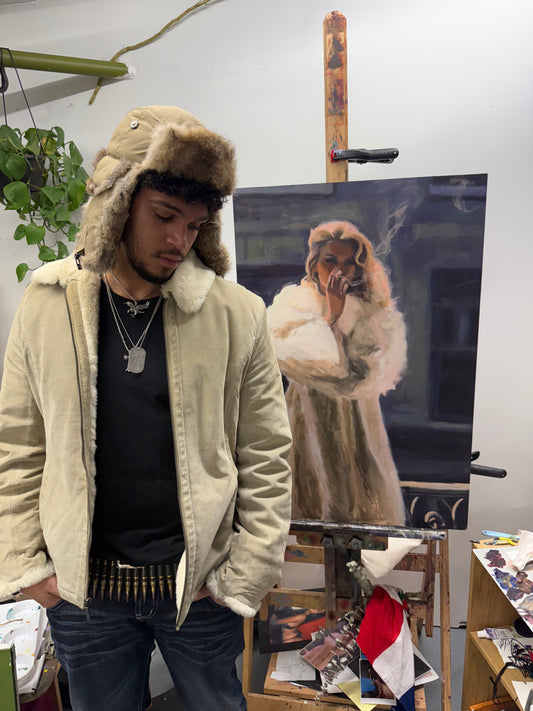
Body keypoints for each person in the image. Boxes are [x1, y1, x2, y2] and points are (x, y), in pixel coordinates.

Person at [0, 105, 292, 711]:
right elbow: (19, 444)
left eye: (195, 224)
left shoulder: (238, 314)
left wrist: (243, 574)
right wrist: (26, 564)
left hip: (200, 591)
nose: (179, 240)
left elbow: (267, 454)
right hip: (83, 597)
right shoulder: (46, 304)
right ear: (117, 201)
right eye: (163, 216)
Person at [267, 221, 406, 525]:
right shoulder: (294, 303)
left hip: (358, 419)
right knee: (311, 497)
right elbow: (292, 358)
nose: (339, 270)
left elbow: (373, 370)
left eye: (348, 263)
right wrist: (331, 315)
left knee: (362, 501)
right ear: (314, 263)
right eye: (330, 260)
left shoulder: (369, 310)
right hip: (309, 415)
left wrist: (346, 321)